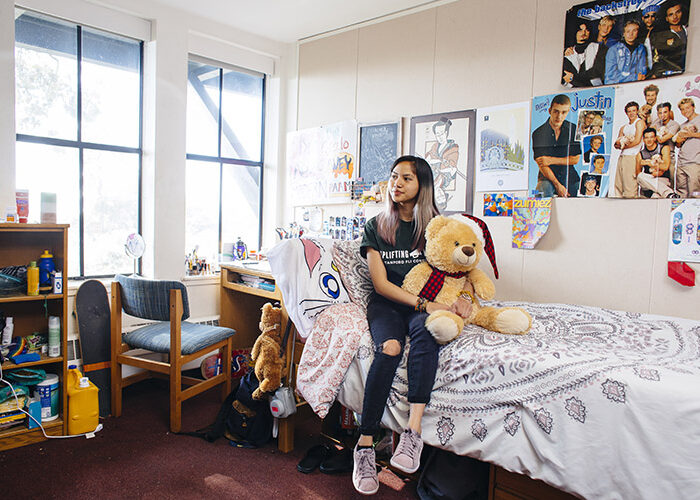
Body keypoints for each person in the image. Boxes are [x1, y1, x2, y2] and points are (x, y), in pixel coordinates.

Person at [353, 155, 473, 495]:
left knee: (428, 332)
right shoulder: (377, 226)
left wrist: (467, 295)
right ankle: (364, 445)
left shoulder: (439, 226)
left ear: (423, 184)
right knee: (390, 348)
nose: (397, 183)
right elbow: (380, 284)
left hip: (425, 304)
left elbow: (464, 264)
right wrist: (425, 304)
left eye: (406, 177)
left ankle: (413, 434)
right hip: (389, 305)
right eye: (393, 177)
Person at [531, 94, 581, 197]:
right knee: (541, 189)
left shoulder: (574, 129)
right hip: (547, 177)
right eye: (556, 111)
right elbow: (542, 164)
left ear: (568, 112)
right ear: (550, 111)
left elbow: (575, 159)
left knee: (585, 189)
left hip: (569, 176)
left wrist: (550, 160)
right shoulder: (538, 133)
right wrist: (558, 185)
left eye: (564, 112)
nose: (559, 116)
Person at [425, 118, 459, 210]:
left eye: (442, 133)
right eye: (437, 134)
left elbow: (451, 162)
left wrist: (435, 163)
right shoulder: (445, 182)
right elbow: (451, 170)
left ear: (447, 133)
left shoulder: (453, 148)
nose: (439, 136)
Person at [635, 127, 678, 198]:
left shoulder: (664, 148)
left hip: (662, 180)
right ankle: (669, 193)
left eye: (651, 137)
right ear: (643, 140)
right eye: (646, 138)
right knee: (640, 176)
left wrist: (649, 163)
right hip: (648, 181)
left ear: (655, 138)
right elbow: (638, 174)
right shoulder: (640, 154)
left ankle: (666, 193)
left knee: (655, 196)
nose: (649, 140)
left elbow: (665, 167)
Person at [614, 101, 645, 197]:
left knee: (630, 186)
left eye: (634, 111)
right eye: (629, 111)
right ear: (626, 113)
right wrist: (620, 145)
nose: (631, 113)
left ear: (637, 111)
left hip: (632, 156)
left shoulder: (639, 123)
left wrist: (623, 146)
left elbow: (637, 141)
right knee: (618, 185)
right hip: (622, 157)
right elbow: (616, 144)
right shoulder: (624, 127)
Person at [649, 2, 687, 78]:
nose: (675, 17)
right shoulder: (662, 36)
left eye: (678, 12)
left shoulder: (689, 29)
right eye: (671, 15)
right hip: (673, 74)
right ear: (666, 18)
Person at [562, 22, 604, 87]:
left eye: (586, 30)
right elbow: (566, 76)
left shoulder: (598, 48)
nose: (583, 33)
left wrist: (573, 78)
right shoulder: (568, 53)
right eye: (580, 30)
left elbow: (596, 71)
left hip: (593, 87)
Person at [605, 20, 647, 84]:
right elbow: (611, 75)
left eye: (634, 30)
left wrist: (639, 77)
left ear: (638, 33)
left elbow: (642, 71)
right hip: (614, 86)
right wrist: (634, 78)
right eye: (628, 31)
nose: (631, 34)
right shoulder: (613, 50)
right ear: (624, 34)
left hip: (635, 84)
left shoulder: (641, 48)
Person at [674, 98, 700, 198]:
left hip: (695, 162)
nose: (685, 111)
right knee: (681, 194)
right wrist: (679, 141)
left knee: (695, 193)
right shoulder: (682, 126)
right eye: (682, 109)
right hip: (681, 163)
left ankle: (695, 214)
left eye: (688, 108)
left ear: (693, 107)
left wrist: (689, 134)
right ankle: (681, 213)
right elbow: (678, 145)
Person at [640, 5, 659, 69]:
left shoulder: (660, 30)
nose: (650, 19)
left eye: (652, 16)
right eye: (647, 16)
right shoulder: (639, 34)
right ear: (642, 18)